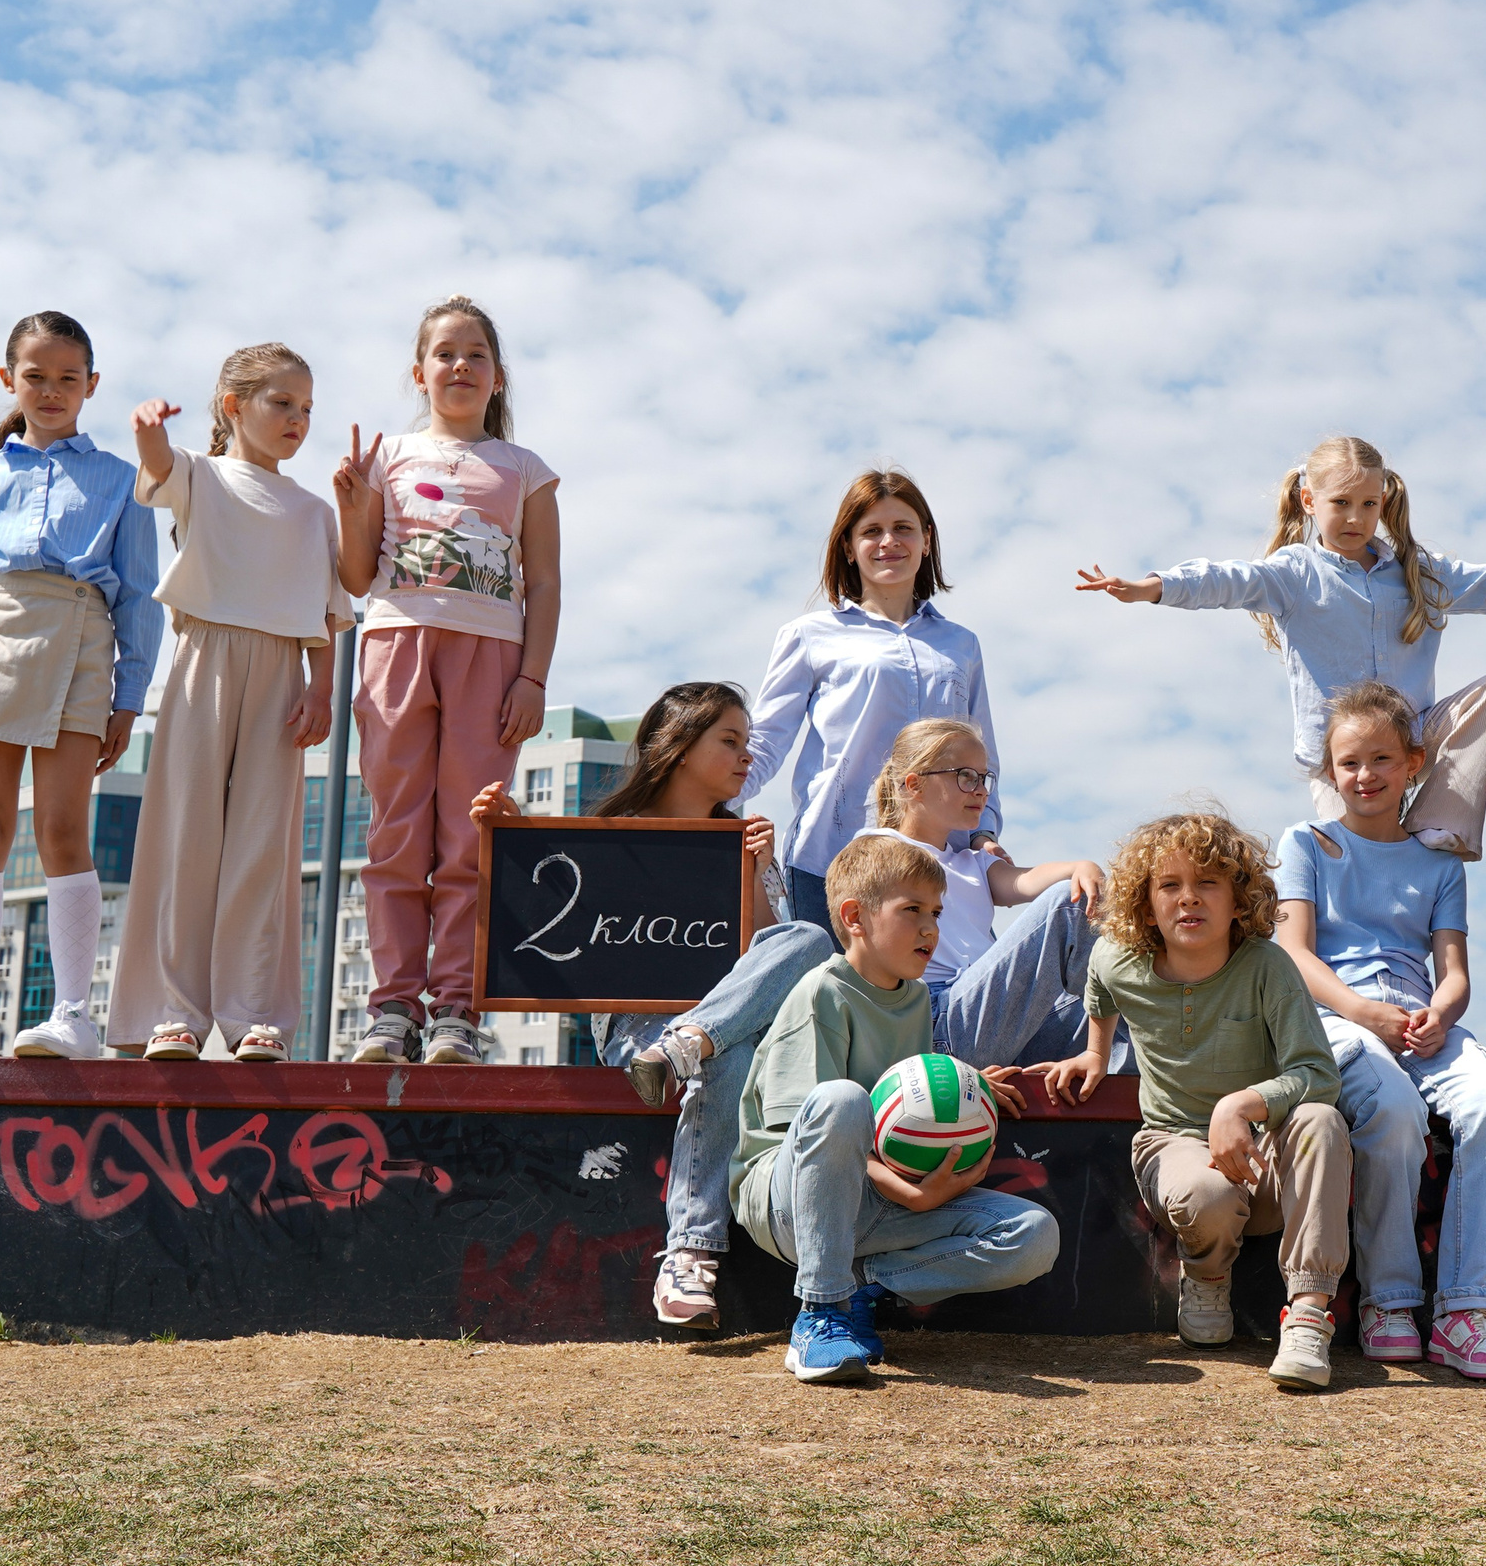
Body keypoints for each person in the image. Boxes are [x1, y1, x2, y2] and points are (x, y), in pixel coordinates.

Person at [470, 681, 835, 1327]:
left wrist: (761, 871)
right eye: (730, 740)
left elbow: (773, 958)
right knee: (728, 1050)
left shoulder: (744, 840)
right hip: (640, 1029)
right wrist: (510, 827)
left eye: (748, 743)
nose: (747, 756)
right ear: (679, 744)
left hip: (708, 1033)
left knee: (806, 937)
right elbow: (551, 925)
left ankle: (690, 1046)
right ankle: (691, 1250)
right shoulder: (612, 837)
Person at [1075, 435, 1486, 858]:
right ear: (1309, 501)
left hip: (1410, 738)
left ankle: (1438, 823)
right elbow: (1228, 580)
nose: (1355, 517)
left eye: (1369, 504)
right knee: (1351, 859)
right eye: (1341, 503)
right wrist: (1154, 587)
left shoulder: (1417, 573)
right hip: (1339, 762)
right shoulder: (1297, 573)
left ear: (1384, 502)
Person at [731, 834, 1059, 1383]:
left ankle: (867, 1284)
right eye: (912, 911)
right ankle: (820, 1312)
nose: (931, 928)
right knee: (840, 1100)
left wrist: (960, 1084)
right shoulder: (821, 992)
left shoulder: (912, 999)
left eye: (937, 912)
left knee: (1033, 1233)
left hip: (877, 1200)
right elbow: (812, 1133)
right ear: (856, 917)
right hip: (790, 1204)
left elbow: (898, 1099)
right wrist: (908, 1191)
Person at [1046, 810, 1353, 1392]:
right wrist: (1094, 1053)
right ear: (1145, 903)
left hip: (1266, 1157)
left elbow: (1318, 1073)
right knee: (1207, 1193)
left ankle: (1309, 1314)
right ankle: (1207, 1274)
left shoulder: (1267, 965)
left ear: (1239, 900)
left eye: (1208, 883)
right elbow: (1100, 993)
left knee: (1321, 1119)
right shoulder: (1117, 958)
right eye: (1170, 885)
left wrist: (1243, 1105)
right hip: (1173, 1145)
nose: (1189, 900)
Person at [0, 312, 161, 1062]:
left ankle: (71, 1015)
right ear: (9, 379)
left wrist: (129, 696)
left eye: (68, 378)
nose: (52, 390)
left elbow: (139, 594)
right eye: (36, 375)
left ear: (92, 385)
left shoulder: (122, 480)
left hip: (81, 639)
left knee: (63, 830)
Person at [105, 347, 353, 1062]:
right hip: (203, 661)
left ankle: (252, 1014)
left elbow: (328, 612)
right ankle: (171, 1012)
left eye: (307, 409)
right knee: (186, 838)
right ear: (232, 405)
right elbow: (156, 468)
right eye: (282, 403)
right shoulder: (202, 475)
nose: (298, 420)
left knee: (263, 846)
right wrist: (147, 424)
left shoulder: (313, 511)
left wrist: (321, 687)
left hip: (283, 674)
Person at [334, 296, 562, 1066]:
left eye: (477, 355)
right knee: (398, 830)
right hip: (397, 642)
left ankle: (456, 1010)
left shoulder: (524, 467)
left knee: (469, 835)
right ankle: (392, 1008)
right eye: (445, 353)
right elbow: (359, 574)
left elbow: (547, 583)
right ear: (419, 371)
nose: (460, 365)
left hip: (490, 657)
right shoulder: (387, 454)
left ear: (498, 377)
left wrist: (533, 676)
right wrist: (353, 505)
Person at [1272, 681, 1486, 1381]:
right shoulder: (1307, 843)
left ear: (1414, 762)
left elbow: (1456, 972)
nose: (1365, 774)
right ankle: (1389, 1301)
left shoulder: (1440, 862)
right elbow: (1293, 952)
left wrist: (1441, 1013)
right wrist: (1362, 1012)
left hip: (1420, 1020)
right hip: (1336, 1018)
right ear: (1329, 771)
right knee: (1394, 1110)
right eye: (1349, 761)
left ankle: (1468, 1310)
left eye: (1381, 758)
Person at [746, 470, 1001, 937]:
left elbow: (982, 755)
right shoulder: (808, 637)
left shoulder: (961, 645)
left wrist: (986, 831)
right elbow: (763, 743)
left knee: (941, 1006)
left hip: (943, 863)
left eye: (903, 528)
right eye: (871, 531)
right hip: (831, 859)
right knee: (833, 1004)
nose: (889, 542)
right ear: (848, 546)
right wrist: (707, 811)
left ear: (926, 540)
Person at [856, 717, 1124, 1069]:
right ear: (914, 784)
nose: (981, 790)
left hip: (996, 1020)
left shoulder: (973, 863)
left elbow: (1024, 882)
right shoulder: (878, 848)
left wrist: (1080, 867)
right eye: (965, 776)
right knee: (1066, 906)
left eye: (984, 778)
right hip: (937, 1020)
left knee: (1132, 1005)